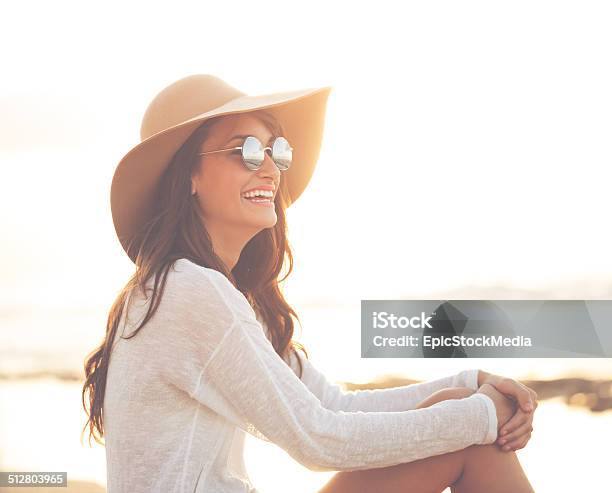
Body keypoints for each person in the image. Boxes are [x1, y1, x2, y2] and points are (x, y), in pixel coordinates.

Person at [81, 74, 537, 493]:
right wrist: (481, 416)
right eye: (246, 151)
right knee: (470, 434)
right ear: (190, 177)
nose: (270, 169)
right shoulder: (186, 290)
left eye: (275, 150)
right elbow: (317, 439)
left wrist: (474, 382)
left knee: (460, 410)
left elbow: (335, 406)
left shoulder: (214, 292)